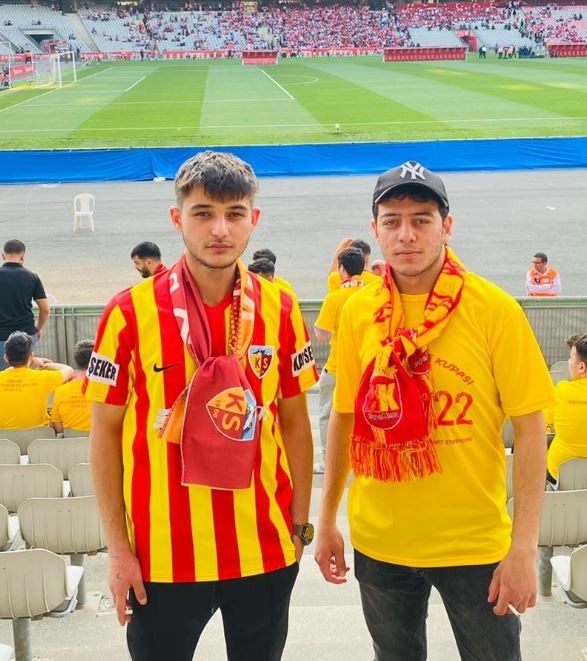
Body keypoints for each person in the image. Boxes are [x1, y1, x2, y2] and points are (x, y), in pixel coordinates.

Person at [315, 160, 554, 661]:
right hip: (380, 543)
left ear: (447, 226)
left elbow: (532, 429)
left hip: (475, 545)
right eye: (392, 221)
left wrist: (525, 546)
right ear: (375, 230)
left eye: (421, 220)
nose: (406, 235)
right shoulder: (357, 313)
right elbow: (345, 417)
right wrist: (328, 517)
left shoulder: (493, 310)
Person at [84, 151, 318, 661]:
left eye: (235, 214)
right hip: (161, 557)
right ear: (177, 218)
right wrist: (117, 549)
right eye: (203, 213)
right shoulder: (128, 312)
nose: (219, 229)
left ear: (254, 219)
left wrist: (301, 526)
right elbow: (104, 433)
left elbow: (296, 423)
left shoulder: (280, 308)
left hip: (263, 549)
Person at [313, 247, 364, 474]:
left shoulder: (334, 298)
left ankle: (329, 462)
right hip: (366, 368)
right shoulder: (372, 292)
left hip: (336, 367)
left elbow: (321, 335)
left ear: (342, 270)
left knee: (327, 414)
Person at [0, 331, 73, 429]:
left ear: (6, 358)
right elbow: (69, 370)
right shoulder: (42, 377)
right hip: (41, 434)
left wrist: (31, 358)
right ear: (31, 356)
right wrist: (44, 364)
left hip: (4, 437)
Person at [0, 239, 50, 371]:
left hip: (1, 336)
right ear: (23, 256)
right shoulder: (32, 277)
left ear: (3, 256)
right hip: (26, 335)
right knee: (24, 373)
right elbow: (45, 309)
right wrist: (38, 328)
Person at [545, 334, 587, 483]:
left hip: (560, 475)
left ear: (581, 367)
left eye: (570, 358)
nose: (568, 362)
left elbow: (545, 422)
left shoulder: (561, 391)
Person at [50, 339, 94, 435]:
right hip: (101, 442)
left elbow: (58, 426)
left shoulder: (61, 391)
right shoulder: (106, 389)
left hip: (70, 443)